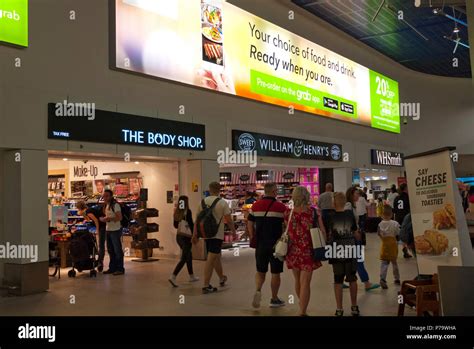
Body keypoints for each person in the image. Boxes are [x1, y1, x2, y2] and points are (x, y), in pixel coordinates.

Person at [284, 186, 324, 316]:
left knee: (297, 281)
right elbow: (322, 230)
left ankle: (302, 305)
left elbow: (287, 231)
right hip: (308, 250)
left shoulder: (288, 213)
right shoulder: (313, 212)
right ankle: (302, 311)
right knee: (305, 282)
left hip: (292, 251)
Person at [247, 182, 287, 308]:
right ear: (274, 191)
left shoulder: (256, 206)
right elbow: (286, 225)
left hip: (260, 244)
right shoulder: (281, 207)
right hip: (276, 246)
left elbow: (249, 222)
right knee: (275, 273)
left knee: (260, 271)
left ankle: (258, 290)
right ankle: (274, 299)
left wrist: (252, 235)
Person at [192, 182, 236, 294]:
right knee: (211, 258)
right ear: (219, 190)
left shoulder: (202, 202)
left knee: (215, 256)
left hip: (205, 234)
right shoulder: (222, 203)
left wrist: (195, 234)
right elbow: (229, 219)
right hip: (217, 235)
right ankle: (206, 285)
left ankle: (221, 277)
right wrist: (233, 231)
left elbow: (196, 220)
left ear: (209, 189)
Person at [327, 192, 361, 316]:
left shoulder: (330, 216)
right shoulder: (350, 215)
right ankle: (354, 306)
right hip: (351, 250)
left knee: (338, 280)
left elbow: (328, 235)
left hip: (336, 251)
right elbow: (356, 234)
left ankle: (339, 309)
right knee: (352, 279)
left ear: (334, 203)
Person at [345, 187, 380, 291]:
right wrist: (355, 231)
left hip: (352, 236)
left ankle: (341, 279)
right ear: (351, 194)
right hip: (353, 237)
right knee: (358, 259)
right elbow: (347, 221)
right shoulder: (349, 206)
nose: (358, 196)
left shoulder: (352, 205)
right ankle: (366, 283)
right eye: (356, 194)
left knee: (351, 260)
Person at [169, 196, 199, 287]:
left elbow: (175, 226)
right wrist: (195, 235)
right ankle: (173, 276)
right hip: (186, 237)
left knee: (188, 255)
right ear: (186, 202)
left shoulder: (177, 212)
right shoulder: (188, 212)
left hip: (179, 237)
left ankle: (191, 276)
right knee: (184, 258)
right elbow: (191, 224)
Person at [100, 189, 124, 275]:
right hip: (108, 230)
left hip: (115, 230)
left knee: (117, 250)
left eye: (107, 196)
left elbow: (120, 218)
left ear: (111, 196)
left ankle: (120, 269)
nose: (105, 197)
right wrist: (105, 219)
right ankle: (112, 268)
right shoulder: (107, 205)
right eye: (104, 196)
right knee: (110, 250)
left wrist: (109, 219)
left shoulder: (115, 205)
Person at [76, 200, 106, 272]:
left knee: (101, 245)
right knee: (100, 245)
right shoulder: (87, 211)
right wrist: (83, 215)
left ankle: (100, 262)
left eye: (78, 209)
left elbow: (96, 220)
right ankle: (99, 262)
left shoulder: (88, 212)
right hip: (102, 225)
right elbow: (88, 219)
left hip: (103, 226)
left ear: (80, 208)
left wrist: (97, 230)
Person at [377, 205, 400, 289]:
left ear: (382, 215)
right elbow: (398, 233)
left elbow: (379, 233)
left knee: (384, 263)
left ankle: (382, 279)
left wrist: (383, 238)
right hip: (393, 245)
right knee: (394, 263)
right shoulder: (395, 223)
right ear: (391, 214)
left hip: (385, 245)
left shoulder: (380, 224)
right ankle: (397, 279)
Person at [393, 183, 412, 258]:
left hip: (398, 217)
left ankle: (395, 251)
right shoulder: (407, 197)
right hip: (406, 217)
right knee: (406, 234)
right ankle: (406, 250)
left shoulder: (397, 198)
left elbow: (394, 209)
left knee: (398, 235)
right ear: (405, 188)